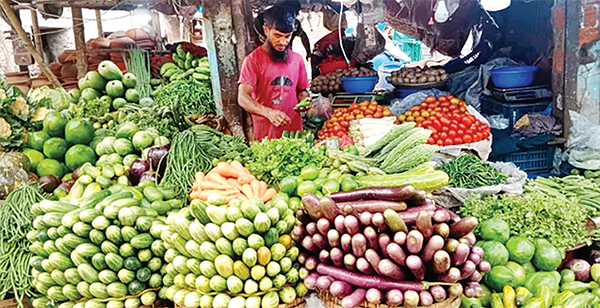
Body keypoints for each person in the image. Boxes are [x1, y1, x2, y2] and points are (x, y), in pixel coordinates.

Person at [238, 3, 310, 140]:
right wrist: (268, 113)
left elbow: (302, 91)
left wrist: (305, 100)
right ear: (266, 30)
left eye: (287, 36)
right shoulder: (253, 61)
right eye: (278, 35)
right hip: (266, 136)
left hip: (295, 135)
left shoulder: (298, 60)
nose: (283, 42)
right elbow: (243, 98)